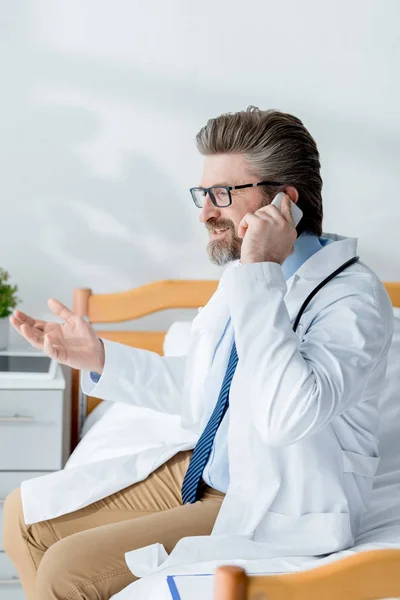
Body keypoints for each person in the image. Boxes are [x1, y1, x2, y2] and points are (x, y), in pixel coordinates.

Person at [3, 107, 393, 600]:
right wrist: (99, 357)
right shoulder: (242, 280)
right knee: (21, 514)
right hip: (210, 469)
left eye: (222, 194)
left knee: (67, 569)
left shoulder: (352, 299)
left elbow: (286, 416)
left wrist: (259, 272)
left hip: (277, 501)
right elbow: (206, 387)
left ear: (284, 203)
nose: (206, 212)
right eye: (203, 193)